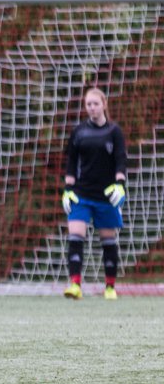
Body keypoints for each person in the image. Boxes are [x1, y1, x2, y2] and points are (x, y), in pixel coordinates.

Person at [61, 86, 128, 300]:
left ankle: (109, 287)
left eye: (95, 104)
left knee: (108, 240)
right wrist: (68, 189)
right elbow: (71, 163)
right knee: (75, 235)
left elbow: (120, 160)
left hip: (106, 195)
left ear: (104, 104)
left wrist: (119, 184)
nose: (92, 108)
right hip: (81, 194)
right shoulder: (79, 131)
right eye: (88, 104)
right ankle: (75, 285)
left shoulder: (114, 131)